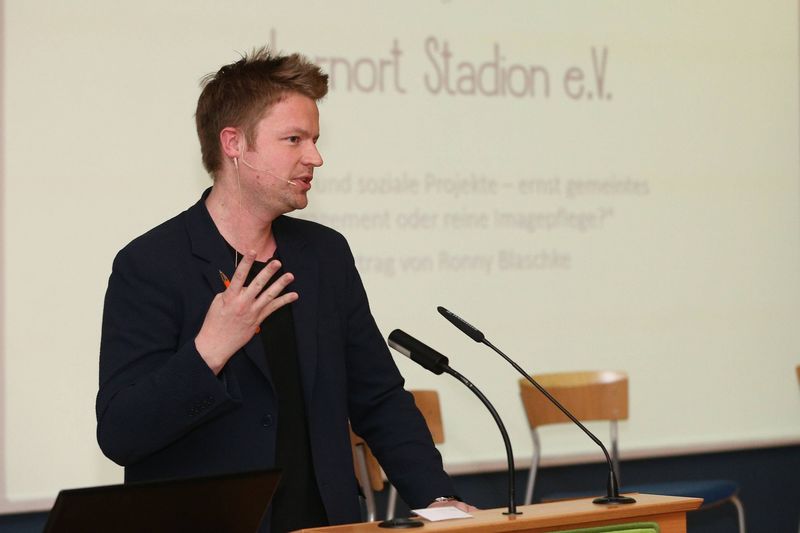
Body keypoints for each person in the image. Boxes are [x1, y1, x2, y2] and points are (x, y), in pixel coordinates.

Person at [96, 47, 473, 532]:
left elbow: (378, 397)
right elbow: (121, 434)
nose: (315, 157)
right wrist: (208, 351)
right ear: (234, 143)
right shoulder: (151, 264)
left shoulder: (324, 255)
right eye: (294, 139)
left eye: (314, 140)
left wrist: (438, 500)